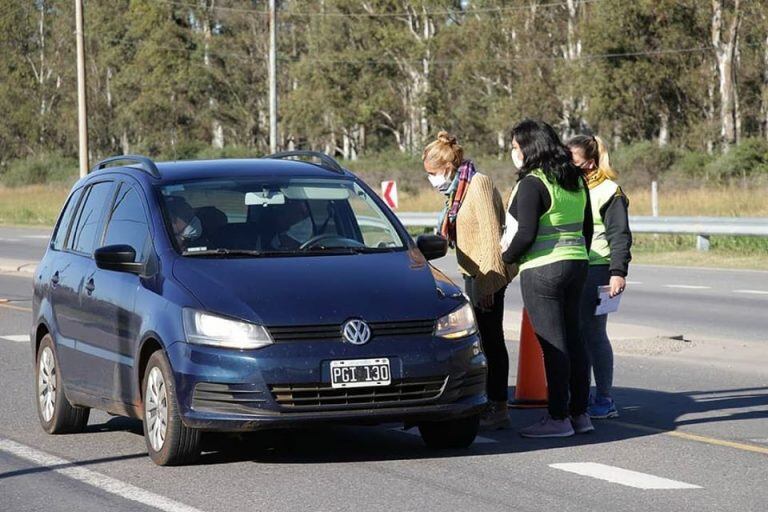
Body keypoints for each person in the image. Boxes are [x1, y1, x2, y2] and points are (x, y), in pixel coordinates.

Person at [501, 119, 594, 438]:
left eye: (514, 147)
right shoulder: (574, 178)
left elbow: (525, 233)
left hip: (543, 269)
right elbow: (588, 229)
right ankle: (580, 414)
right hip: (577, 264)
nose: (512, 153)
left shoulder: (532, 182)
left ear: (528, 147)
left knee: (553, 345)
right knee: (575, 339)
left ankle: (558, 418)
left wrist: (505, 260)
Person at [423, 131, 516, 429]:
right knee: (482, 342)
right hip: (472, 273)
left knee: (491, 341)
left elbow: (491, 235)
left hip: (486, 275)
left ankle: (498, 405)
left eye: (432, 174)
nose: (431, 180)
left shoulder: (478, 184)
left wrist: (489, 283)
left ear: (448, 168)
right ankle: (487, 401)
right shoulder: (457, 191)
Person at [567, 134, 632, 419]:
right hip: (571, 265)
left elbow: (620, 235)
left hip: (598, 268)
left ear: (591, 164)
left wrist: (618, 273)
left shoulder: (609, 191)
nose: (568, 167)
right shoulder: (569, 188)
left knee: (593, 334)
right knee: (574, 333)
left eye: (575, 163)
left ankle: (604, 399)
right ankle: (577, 396)